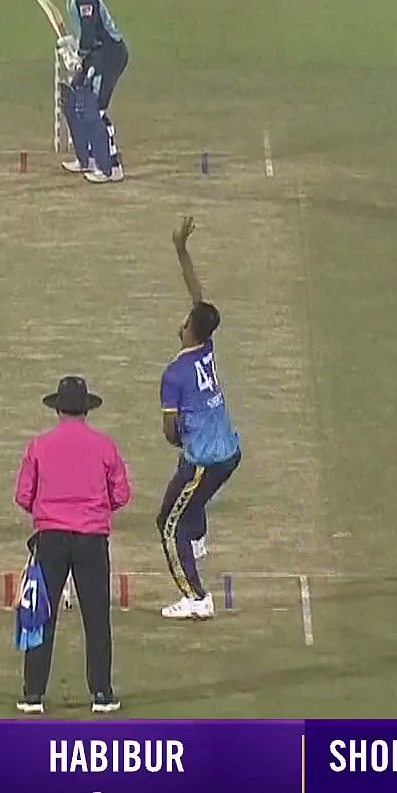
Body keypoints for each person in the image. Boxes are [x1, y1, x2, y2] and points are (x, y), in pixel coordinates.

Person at [13, 376, 131, 714]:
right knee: (97, 618)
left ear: (58, 409)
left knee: (41, 617)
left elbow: (23, 495)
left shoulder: (39, 446)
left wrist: (48, 512)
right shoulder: (105, 447)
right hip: (92, 541)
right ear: (86, 410)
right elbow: (121, 494)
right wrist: (95, 511)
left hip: (50, 540)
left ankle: (33, 695)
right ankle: (102, 694)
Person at [157, 218, 242, 619]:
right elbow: (197, 296)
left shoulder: (174, 374)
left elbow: (170, 432)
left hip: (207, 460)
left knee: (167, 523)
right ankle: (200, 539)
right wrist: (181, 249)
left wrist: (181, 436)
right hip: (229, 451)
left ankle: (196, 597)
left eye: (186, 320)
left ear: (191, 329)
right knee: (190, 488)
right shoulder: (206, 346)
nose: (182, 321)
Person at [56, 0, 130, 184]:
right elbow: (87, 34)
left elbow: (89, 36)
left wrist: (77, 56)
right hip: (96, 54)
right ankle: (86, 158)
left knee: (94, 109)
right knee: (76, 99)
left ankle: (111, 167)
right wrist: (74, 45)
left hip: (109, 55)